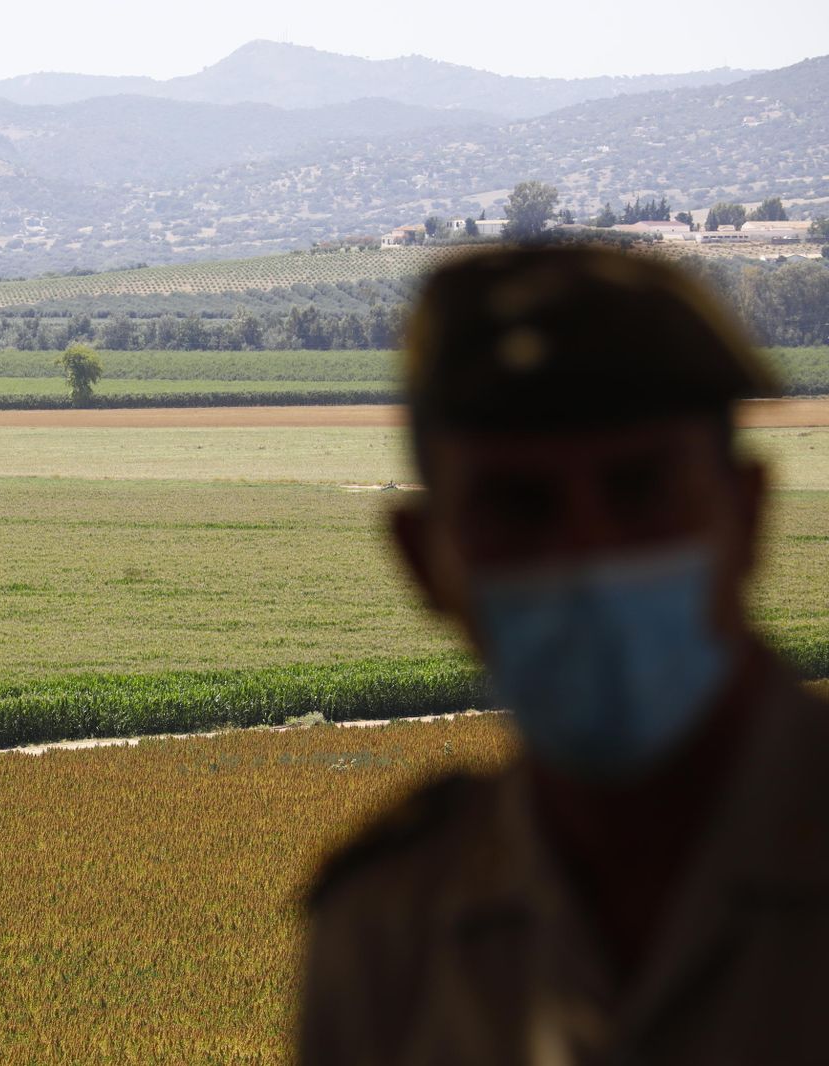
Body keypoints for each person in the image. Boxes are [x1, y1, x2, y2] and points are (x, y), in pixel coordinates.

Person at [293, 244, 829, 1064]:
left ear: (749, 511)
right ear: (422, 560)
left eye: (638, 490)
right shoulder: (389, 935)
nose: (587, 555)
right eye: (520, 507)